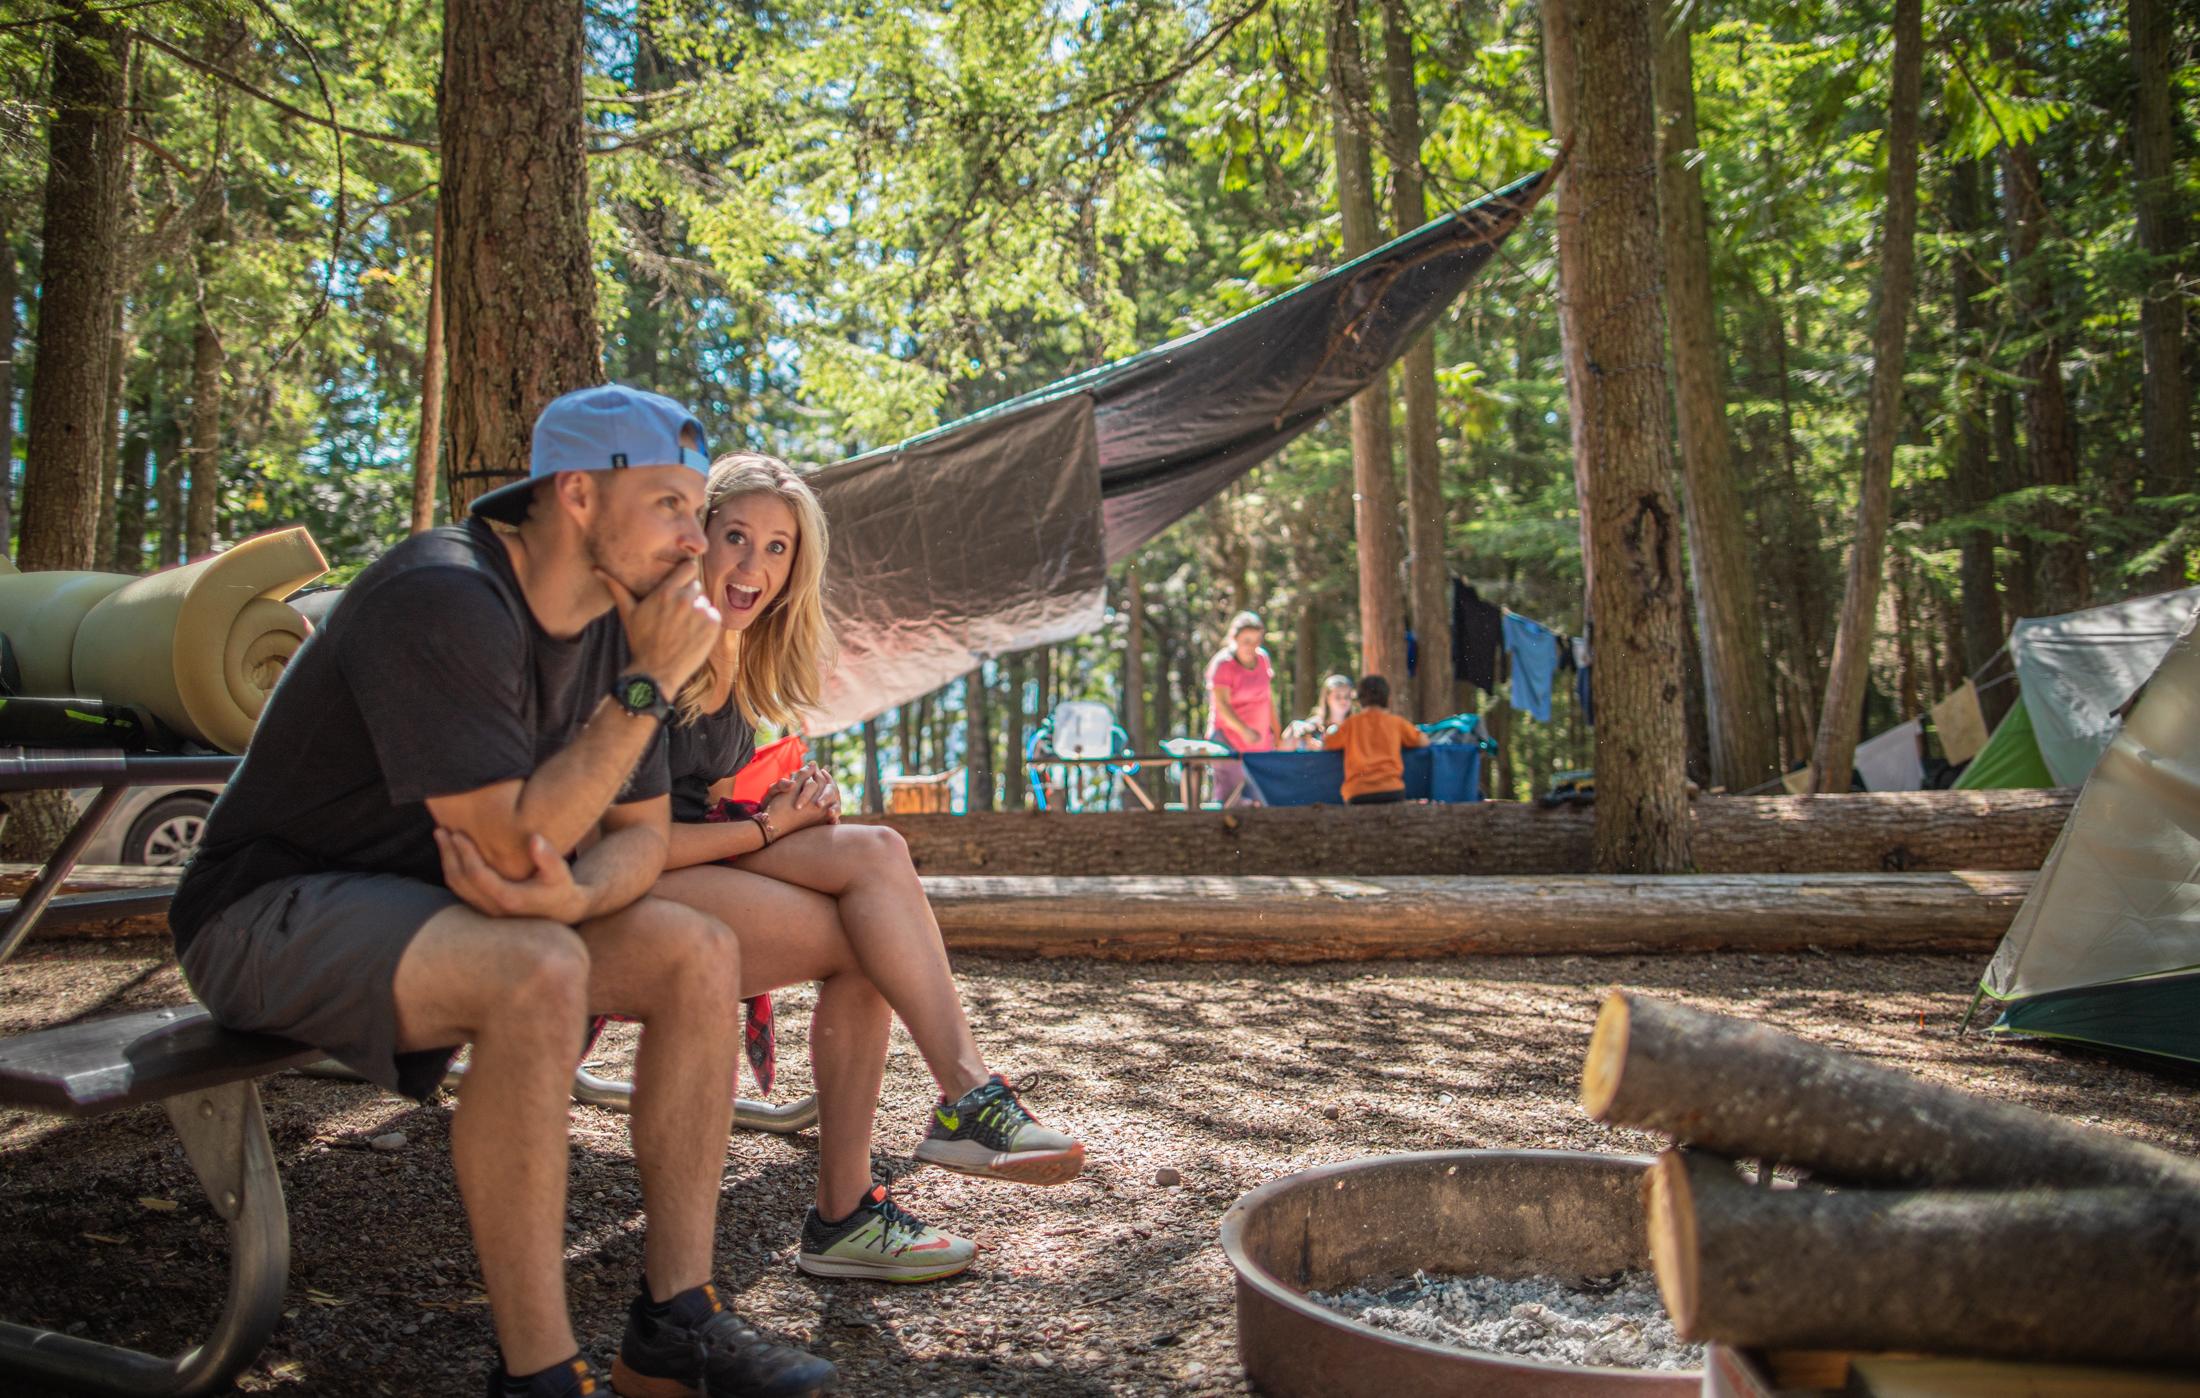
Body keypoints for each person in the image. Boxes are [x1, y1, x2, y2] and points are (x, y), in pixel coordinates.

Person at [169, 386, 835, 1398]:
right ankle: (538, 1375)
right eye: (670, 505)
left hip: (456, 906)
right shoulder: (443, 593)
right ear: (578, 495)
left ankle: (675, 1326)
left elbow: (637, 840)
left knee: (696, 948)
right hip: (268, 910)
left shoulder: (615, 624)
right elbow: (517, 844)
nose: (695, 542)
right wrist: (647, 690)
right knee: (536, 967)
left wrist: (571, 900)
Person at [648, 452, 1084, 1285]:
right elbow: (633, 836)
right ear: (698, 535)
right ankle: (859, 1200)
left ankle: (963, 1101)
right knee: (865, 935)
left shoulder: (735, 654)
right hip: (624, 879)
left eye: (777, 548)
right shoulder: (656, 644)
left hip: (700, 849)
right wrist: (771, 824)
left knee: (877, 854)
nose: (752, 565)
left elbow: (708, 798)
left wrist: (792, 799)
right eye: (736, 537)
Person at [1204, 610, 1278, 805]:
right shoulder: (1223, 664)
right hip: (1228, 741)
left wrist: (1276, 733)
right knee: (1231, 799)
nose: (1252, 647)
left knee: (1261, 798)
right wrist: (1244, 730)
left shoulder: (1262, 659)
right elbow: (1222, 705)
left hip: (1259, 743)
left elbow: (1268, 699)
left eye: (1256, 641)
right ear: (1234, 638)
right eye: (1247, 641)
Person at [1323, 674, 1428, 805]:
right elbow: (1423, 741)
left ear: (1360, 699)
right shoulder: (1396, 723)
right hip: (1392, 789)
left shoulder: (1351, 724)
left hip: (1357, 792)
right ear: (1387, 698)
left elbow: (1327, 744)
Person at [1282, 673, 1355, 750]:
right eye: (1338, 697)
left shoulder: (1356, 726)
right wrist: (1292, 728)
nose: (1343, 701)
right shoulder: (1312, 725)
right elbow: (1283, 750)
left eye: (1347, 696)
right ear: (1327, 698)